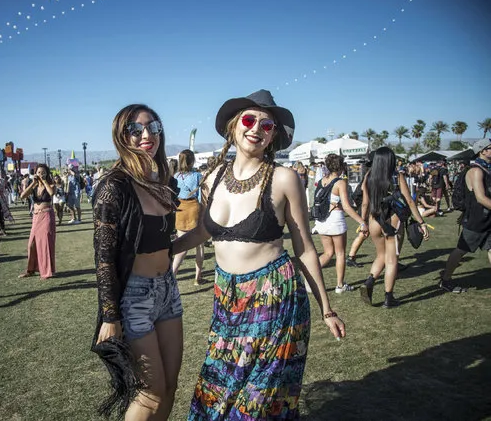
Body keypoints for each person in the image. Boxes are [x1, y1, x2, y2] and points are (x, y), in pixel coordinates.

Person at [173, 90, 345, 419]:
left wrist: (327, 309)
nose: (257, 129)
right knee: (216, 392)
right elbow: (206, 230)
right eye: (250, 120)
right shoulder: (212, 178)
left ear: (273, 136)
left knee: (257, 403)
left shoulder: (285, 179)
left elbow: (305, 248)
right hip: (226, 301)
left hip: (274, 301)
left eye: (267, 126)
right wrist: (168, 250)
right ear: (233, 128)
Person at [92, 104, 182, 420]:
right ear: (122, 135)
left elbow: (165, 244)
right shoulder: (113, 186)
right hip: (134, 298)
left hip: (168, 291)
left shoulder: (164, 182)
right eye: (136, 128)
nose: (147, 135)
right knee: (151, 392)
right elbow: (103, 258)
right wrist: (109, 316)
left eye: (153, 127)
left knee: (170, 386)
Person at [359, 146, 429, 308]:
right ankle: (388, 298)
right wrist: (421, 222)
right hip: (392, 221)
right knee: (391, 260)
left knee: (380, 255)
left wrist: (363, 223)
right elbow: (410, 201)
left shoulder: (368, 176)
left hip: (374, 220)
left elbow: (365, 203)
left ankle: (369, 281)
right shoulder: (397, 176)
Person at [441, 138, 491, 292]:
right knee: (462, 250)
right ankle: (445, 280)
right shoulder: (476, 171)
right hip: (477, 220)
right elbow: (481, 198)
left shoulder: (487, 169)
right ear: (482, 151)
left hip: (487, 218)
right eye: (490, 147)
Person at [313, 154, 369, 293]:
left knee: (327, 253)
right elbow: (347, 207)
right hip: (335, 220)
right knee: (340, 254)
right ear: (341, 166)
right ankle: (340, 285)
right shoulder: (340, 183)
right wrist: (362, 222)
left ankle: (309, 277)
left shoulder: (321, 181)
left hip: (321, 221)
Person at [172, 150, 204, 286]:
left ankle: (172, 275)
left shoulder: (175, 176)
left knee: (182, 246)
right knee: (200, 246)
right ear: (192, 161)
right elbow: (201, 197)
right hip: (193, 208)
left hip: (180, 209)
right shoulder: (197, 176)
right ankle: (197, 278)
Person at [18, 164, 56, 279]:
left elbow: (51, 193)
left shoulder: (51, 184)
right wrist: (33, 184)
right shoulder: (33, 185)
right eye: (39, 172)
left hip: (47, 214)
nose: (40, 174)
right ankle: (31, 270)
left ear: (47, 173)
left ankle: (47, 271)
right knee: (31, 244)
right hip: (36, 216)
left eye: (43, 172)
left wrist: (44, 181)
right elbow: (22, 196)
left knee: (45, 243)